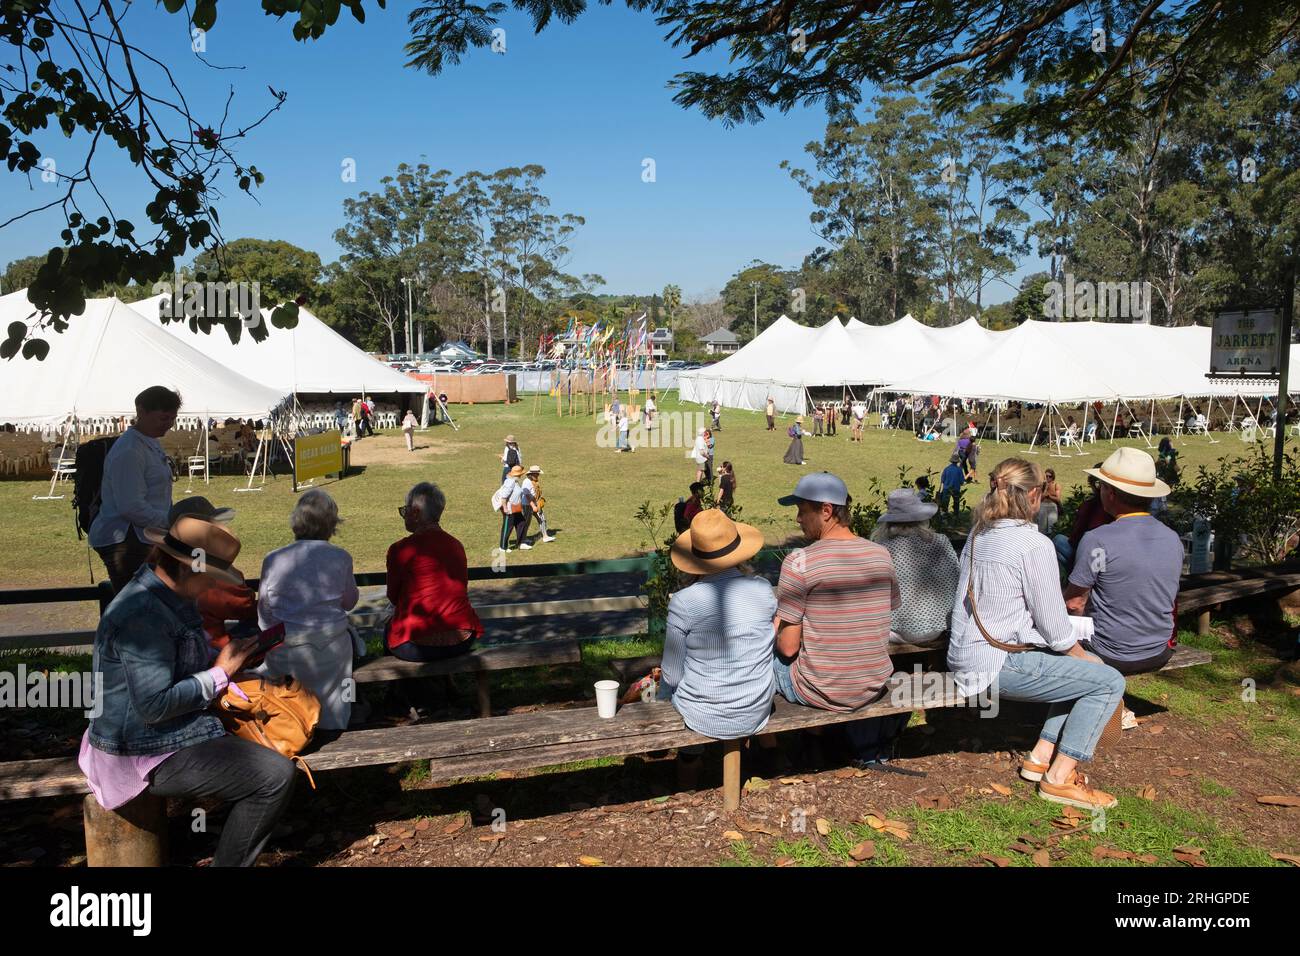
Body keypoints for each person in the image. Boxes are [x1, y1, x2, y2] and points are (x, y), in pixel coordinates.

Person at [81, 515, 296, 867]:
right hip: (136, 751)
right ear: (190, 570)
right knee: (273, 776)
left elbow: (180, 660)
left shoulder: (168, 595)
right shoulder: (143, 614)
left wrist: (224, 660)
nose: (213, 586)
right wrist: (219, 673)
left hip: (163, 735)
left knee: (272, 752)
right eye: (212, 577)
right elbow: (153, 704)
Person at [949, 457, 1126, 810]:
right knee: (1107, 680)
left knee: (1082, 671)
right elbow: (1055, 627)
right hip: (995, 663)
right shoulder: (1034, 545)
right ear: (1034, 494)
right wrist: (1082, 655)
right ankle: (1059, 779)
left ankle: (1041, 756)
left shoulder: (980, 532)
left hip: (967, 653)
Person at [773, 472, 904, 768]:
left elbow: (788, 649)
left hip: (822, 688)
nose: (797, 519)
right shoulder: (881, 554)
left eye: (802, 510)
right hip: (873, 682)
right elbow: (887, 609)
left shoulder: (799, 561)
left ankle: (776, 750)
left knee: (764, 656)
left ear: (826, 511)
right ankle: (840, 743)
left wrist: (780, 625)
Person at [657, 509, 775, 739]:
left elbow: (671, 676)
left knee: (668, 688)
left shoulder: (684, 601)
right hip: (757, 710)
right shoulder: (762, 588)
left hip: (702, 715)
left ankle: (689, 761)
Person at [1064, 448, 1183, 677]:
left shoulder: (1098, 539)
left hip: (1109, 652)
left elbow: (1074, 604)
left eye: (1102, 486)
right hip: (1158, 650)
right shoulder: (1172, 538)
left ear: (1110, 493)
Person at [255, 490, 361, 731]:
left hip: (286, 648)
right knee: (348, 676)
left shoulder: (273, 558)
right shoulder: (340, 557)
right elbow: (349, 602)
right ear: (332, 524)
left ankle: (292, 723)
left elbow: (264, 611)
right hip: (332, 647)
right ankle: (346, 714)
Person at [89, 385, 180, 593]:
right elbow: (131, 506)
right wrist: (172, 522)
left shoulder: (150, 442)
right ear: (141, 412)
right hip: (127, 541)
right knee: (138, 605)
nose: (169, 425)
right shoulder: (130, 450)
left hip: (146, 535)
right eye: (163, 418)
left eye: (172, 419)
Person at [386, 482, 484, 662]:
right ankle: (446, 685)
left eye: (405, 510)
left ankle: (399, 691)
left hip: (415, 644)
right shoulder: (456, 546)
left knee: (388, 630)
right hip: (462, 637)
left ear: (415, 512)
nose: (404, 514)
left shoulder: (401, 550)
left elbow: (393, 596)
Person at [871, 489, 959, 646]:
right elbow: (955, 581)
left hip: (895, 630)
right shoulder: (939, 542)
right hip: (937, 627)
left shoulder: (880, 548)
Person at [1053, 465, 1113, 569]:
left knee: (1058, 540)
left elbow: (1075, 537)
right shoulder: (1116, 506)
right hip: (1108, 553)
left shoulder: (1090, 506)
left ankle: (1072, 573)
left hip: (1090, 553)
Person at [496, 465, 530, 551]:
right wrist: (505, 508)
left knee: (521, 522)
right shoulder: (510, 482)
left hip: (516, 508)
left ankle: (521, 543)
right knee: (508, 527)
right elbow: (504, 496)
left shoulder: (514, 481)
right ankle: (503, 547)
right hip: (509, 509)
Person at [522, 465, 557, 543]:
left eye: (538, 474)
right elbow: (527, 495)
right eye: (536, 474)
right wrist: (533, 506)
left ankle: (545, 536)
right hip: (527, 505)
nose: (538, 475)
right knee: (526, 522)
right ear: (531, 474)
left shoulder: (535, 481)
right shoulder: (526, 482)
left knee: (542, 519)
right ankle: (523, 539)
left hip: (536, 504)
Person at [1037, 468, 1062, 534]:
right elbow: (1039, 499)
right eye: (1046, 476)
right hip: (1043, 506)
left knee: (1052, 527)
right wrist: (1045, 488)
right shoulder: (1042, 485)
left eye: (1050, 476)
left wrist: (1049, 496)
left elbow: (1058, 498)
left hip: (1052, 506)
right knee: (1041, 528)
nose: (1048, 478)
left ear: (1053, 477)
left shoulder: (1056, 485)